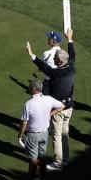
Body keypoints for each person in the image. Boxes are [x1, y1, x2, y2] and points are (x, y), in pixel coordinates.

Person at [29, 28, 76, 170]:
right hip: (70, 106)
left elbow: (43, 66)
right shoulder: (72, 67)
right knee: (65, 133)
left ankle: (58, 162)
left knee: (56, 135)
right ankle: (66, 159)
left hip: (59, 108)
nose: (54, 60)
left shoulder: (56, 73)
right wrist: (70, 39)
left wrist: (31, 55)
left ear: (60, 61)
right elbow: (72, 54)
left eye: (56, 59)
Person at [16, 78, 64, 180]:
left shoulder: (29, 104)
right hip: (44, 133)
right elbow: (62, 106)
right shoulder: (48, 99)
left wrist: (20, 135)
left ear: (33, 89)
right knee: (42, 157)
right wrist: (50, 114)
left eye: (29, 87)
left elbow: (24, 122)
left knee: (33, 160)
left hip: (33, 135)